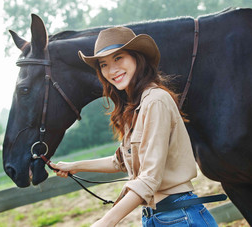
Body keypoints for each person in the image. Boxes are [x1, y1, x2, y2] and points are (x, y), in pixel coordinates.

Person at [50, 27, 218, 227]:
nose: (112, 70)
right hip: (155, 216)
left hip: (178, 216)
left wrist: (105, 222)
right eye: (104, 64)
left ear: (137, 58)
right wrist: (74, 167)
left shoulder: (156, 101)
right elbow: (120, 162)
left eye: (118, 58)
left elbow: (149, 178)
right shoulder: (135, 107)